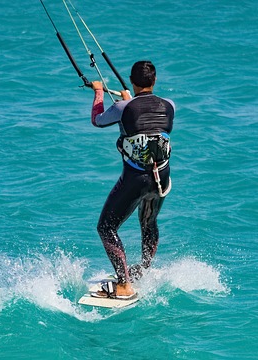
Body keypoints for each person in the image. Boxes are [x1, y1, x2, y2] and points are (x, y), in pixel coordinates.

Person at [89, 60, 174, 299]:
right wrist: (129, 101)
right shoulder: (170, 105)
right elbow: (145, 114)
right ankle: (144, 269)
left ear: (133, 81)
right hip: (162, 178)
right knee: (148, 222)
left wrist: (98, 92)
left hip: (136, 180)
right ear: (154, 81)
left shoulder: (123, 108)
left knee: (106, 227)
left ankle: (124, 285)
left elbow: (98, 119)